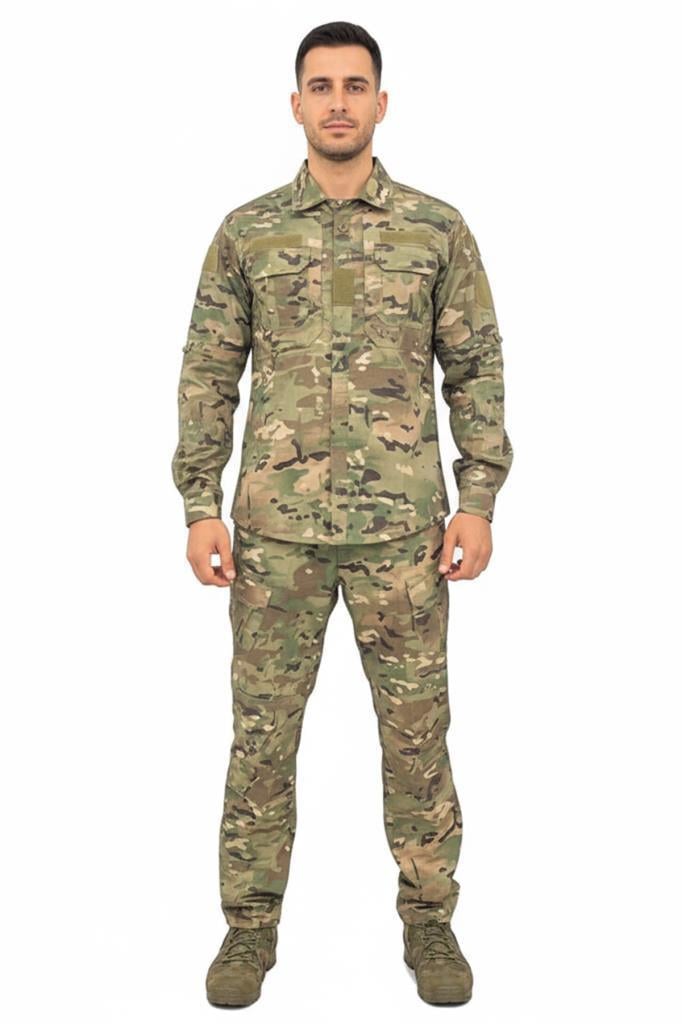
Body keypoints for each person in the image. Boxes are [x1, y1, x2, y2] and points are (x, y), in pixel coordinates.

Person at [171, 20, 513, 1008]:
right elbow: (208, 371)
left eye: (354, 85)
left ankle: (430, 919)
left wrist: (479, 497)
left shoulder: (434, 229)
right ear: (295, 104)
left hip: (404, 539)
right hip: (274, 540)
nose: (336, 102)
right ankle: (248, 927)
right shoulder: (248, 233)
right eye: (319, 86)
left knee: (417, 736)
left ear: (381, 103)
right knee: (261, 741)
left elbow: (476, 366)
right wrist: (199, 504)